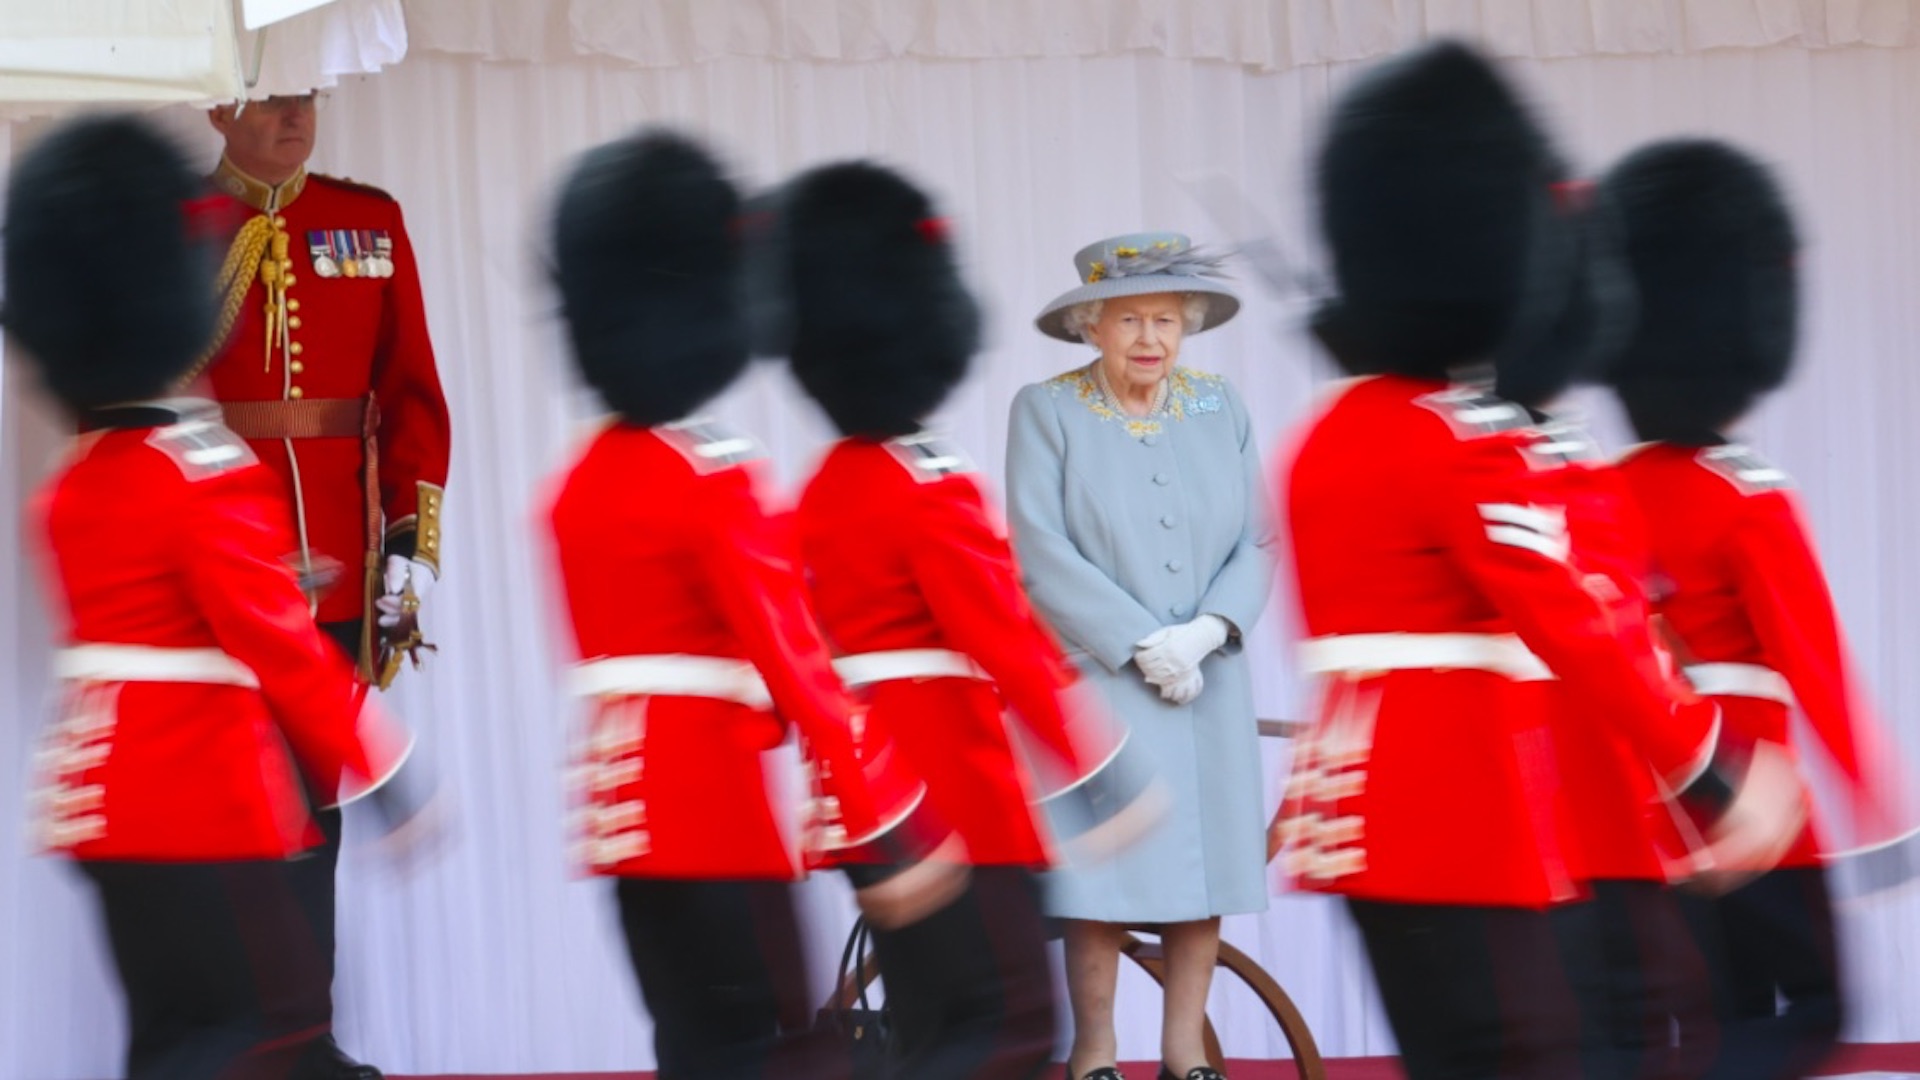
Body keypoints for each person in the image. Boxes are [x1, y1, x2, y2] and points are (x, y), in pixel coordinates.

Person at [1267, 41, 1805, 1080]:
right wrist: (1715, 775)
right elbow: (1580, 621)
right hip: (1467, 821)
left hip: (1356, 827)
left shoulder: (1326, 431)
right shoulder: (1461, 438)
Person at [6, 113, 427, 1080]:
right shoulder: (207, 472)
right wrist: (388, 764)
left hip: (98, 805)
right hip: (202, 800)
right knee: (259, 1032)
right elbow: (278, 643)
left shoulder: (75, 478)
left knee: (169, 1037)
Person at [541, 129, 956, 1080]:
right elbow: (794, 664)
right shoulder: (712, 476)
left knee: (695, 1046)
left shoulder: (576, 484)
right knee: (782, 1050)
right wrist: (885, 826)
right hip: (712, 809)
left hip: (618, 816)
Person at [762, 159, 1157, 1080]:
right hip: (955, 794)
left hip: (866, 801)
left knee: (936, 1028)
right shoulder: (923, 483)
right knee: (1006, 1031)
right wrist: (1101, 772)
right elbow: (1004, 637)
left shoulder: (820, 489)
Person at [1602, 138, 1914, 1080]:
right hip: (1761, 804)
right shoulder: (1751, 496)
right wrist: (1885, 814)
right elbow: (1816, 665)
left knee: (1713, 1015)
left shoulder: (1601, 493)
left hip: (1649, 811)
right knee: (1819, 1009)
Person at [192, 90, 453, 1080]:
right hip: (219, 578)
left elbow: (411, 395)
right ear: (221, 106)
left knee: (315, 824)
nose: (296, 111)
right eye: (268, 93)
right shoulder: (184, 231)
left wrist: (406, 551)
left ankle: (304, 1046)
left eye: (307, 90)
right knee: (225, 829)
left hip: (338, 579)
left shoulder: (367, 223)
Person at [1006, 231, 1273, 1080]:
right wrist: (1137, 640)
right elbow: (1040, 549)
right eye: (1130, 321)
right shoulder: (1045, 410)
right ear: (1091, 327)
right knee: (1104, 875)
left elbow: (1259, 537)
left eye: (1166, 319)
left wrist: (1207, 631)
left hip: (1211, 678)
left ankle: (1184, 1048)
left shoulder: (1218, 404)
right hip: (1100, 681)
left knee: (1207, 866)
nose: (1151, 338)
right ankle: (1096, 1051)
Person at [1491, 184, 1717, 1080]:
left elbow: (1631, 619)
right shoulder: (1491, 454)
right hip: (1535, 783)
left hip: (1611, 783)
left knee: (1627, 1020)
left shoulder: (1582, 461)